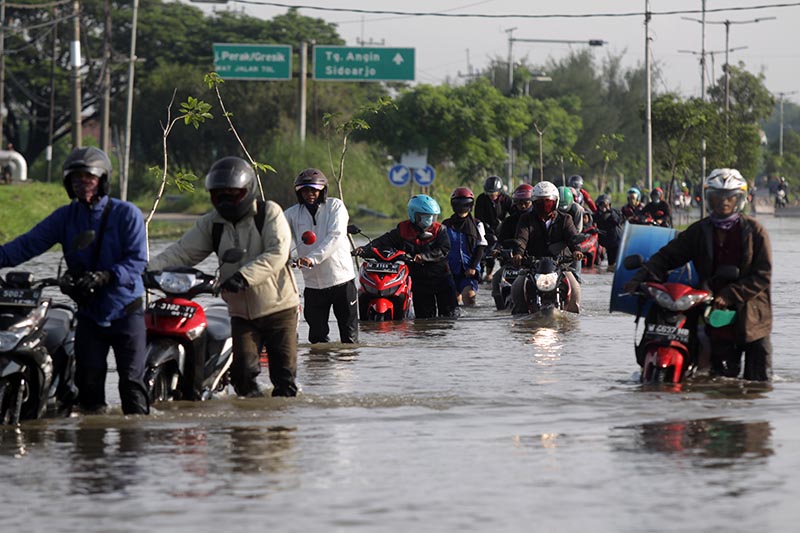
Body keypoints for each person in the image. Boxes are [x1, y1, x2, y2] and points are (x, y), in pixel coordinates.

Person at [0, 147, 149, 414]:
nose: (82, 184)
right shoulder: (65, 217)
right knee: (88, 389)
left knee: (131, 387)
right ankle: (90, 446)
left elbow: (138, 260)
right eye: (75, 179)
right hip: (90, 313)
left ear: (102, 180)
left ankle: (134, 448)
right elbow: (27, 245)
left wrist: (109, 275)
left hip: (126, 311)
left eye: (88, 178)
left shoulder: (127, 214)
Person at [148, 156, 300, 397]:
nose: (226, 200)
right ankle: (247, 426)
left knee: (284, 378)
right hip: (240, 313)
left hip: (279, 309)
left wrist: (243, 276)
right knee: (241, 375)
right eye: (220, 194)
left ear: (248, 191)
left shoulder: (268, 212)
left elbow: (278, 253)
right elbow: (182, 252)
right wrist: (148, 270)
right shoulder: (212, 223)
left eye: (233, 193)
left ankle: (280, 430)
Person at [624, 168, 772, 381]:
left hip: (751, 312)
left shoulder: (755, 232)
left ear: (739, 200)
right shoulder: (700, 230)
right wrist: (638, 278)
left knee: (758, 382)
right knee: (713, 376)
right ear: (709, 199)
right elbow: (667, 256)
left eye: (729, 198)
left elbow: (763, 275)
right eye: (718, 197)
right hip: (708, 305)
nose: (724, 203)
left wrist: (730, 295)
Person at [284, 168, 358, 344]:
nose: (310, 194)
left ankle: (346, 369)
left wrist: (311, 258)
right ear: (299, 192)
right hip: (313, 285)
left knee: (349, 339)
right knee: (316, 340)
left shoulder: (335, 206)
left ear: (322, 190)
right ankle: (318, 370)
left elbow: (336, 236)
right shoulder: (292, 213)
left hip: (341, 281)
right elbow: (279, 234)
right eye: (305, 190)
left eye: (314, 190)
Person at [368, 195, 458, 318]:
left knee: (449, 317)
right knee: (424, 319)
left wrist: (423, 257)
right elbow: (383, 241)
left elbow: (443, 250)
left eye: (431, 217)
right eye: (425, 217)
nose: (429, 220)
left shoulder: (440, 230)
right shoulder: (402, 230)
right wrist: (365, 248)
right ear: (413, 214)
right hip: (419, 281)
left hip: (441, 278)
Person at [511, 181, 583, 313]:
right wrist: (518, 254)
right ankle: (519, 322)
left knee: (576, 288)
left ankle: (572, 324)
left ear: (555, 202)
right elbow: (521, 238)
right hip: (533, 265)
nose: (544, 207)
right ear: (534, 203)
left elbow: (572, 237)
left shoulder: (565, 219)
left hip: (559, 264)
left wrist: (577, 250)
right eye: (540, 203)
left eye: (548, 203)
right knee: (517, 287)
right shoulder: (526, 219)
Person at [442, 187, 488, 306]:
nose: (462, 207)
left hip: (469, 270)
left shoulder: (477, 224)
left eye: (465, 204)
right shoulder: (446, 225)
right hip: (450, 270)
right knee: (453, 302)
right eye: (459, 204)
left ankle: (470, 324)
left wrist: (472, 267)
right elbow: (441, 247)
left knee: (469, 296)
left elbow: (481, 247)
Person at [491, 183, 533, 305]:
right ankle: (501, 310)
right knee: (497, 279)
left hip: (536, 263)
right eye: (520, 203)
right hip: (514, 262)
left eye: (526, 202)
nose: (523, 206)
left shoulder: (539, 219)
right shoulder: (509, 221)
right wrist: (498, 250)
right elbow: (501, 240)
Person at [474, 175, 513, 282]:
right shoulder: (482, 199)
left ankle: (504, 273)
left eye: (494, 193)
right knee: (485, 251)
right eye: (489, 194)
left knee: (505, 251)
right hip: (486, 230)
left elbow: (514, 215)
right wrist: (487, 229)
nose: (492, 196)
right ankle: (484, 272)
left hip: (502, 230)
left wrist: (505, 225)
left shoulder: (507, 200)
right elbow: (478, 217)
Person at [594, 194, 624, 269]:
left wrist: (610, 211)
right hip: (607, 243)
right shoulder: (597, 215)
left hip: (617, 241)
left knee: (617, 263)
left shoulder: (614, 212)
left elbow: (618, 221)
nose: (603, 206)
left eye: (605, 205)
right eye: (601, 204)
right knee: (610, 263)